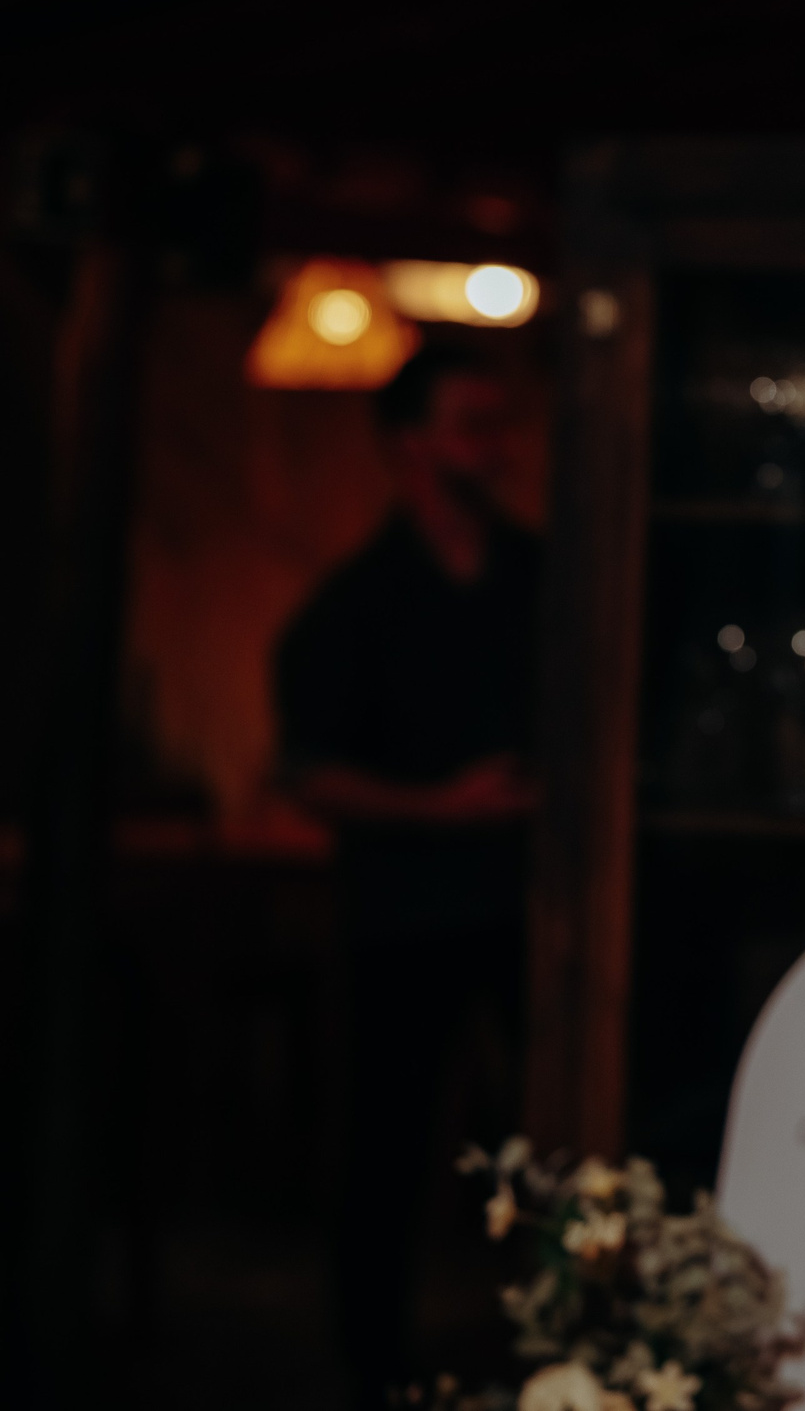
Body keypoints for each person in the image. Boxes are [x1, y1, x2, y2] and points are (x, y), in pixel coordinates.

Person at [273, 343, 544, 1408]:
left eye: (500, 422)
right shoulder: (354, 602)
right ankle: (372, 1360)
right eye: (472, 423)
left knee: (559, 1130)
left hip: (534, 904)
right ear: (411, 446)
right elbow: (307, 769)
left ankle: (568, 1332)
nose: (496, 446)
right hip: (403, 908)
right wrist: (439, 807)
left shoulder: (544, 575)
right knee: (387, 1137)